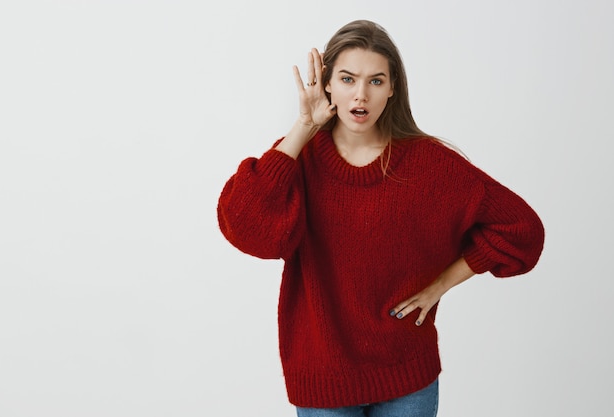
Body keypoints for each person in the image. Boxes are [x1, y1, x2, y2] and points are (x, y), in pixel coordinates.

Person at [217, 19, 544, 417]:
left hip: (408, 376)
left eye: (375, 81)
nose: (360, 94)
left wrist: (441, 284)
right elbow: (243, 226)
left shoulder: (429, 163)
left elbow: (521, 229)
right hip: (324, 378)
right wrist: (304, 126)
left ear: (392, 89)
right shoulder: (298, 157)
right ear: (327, 85)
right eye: (348, 78)